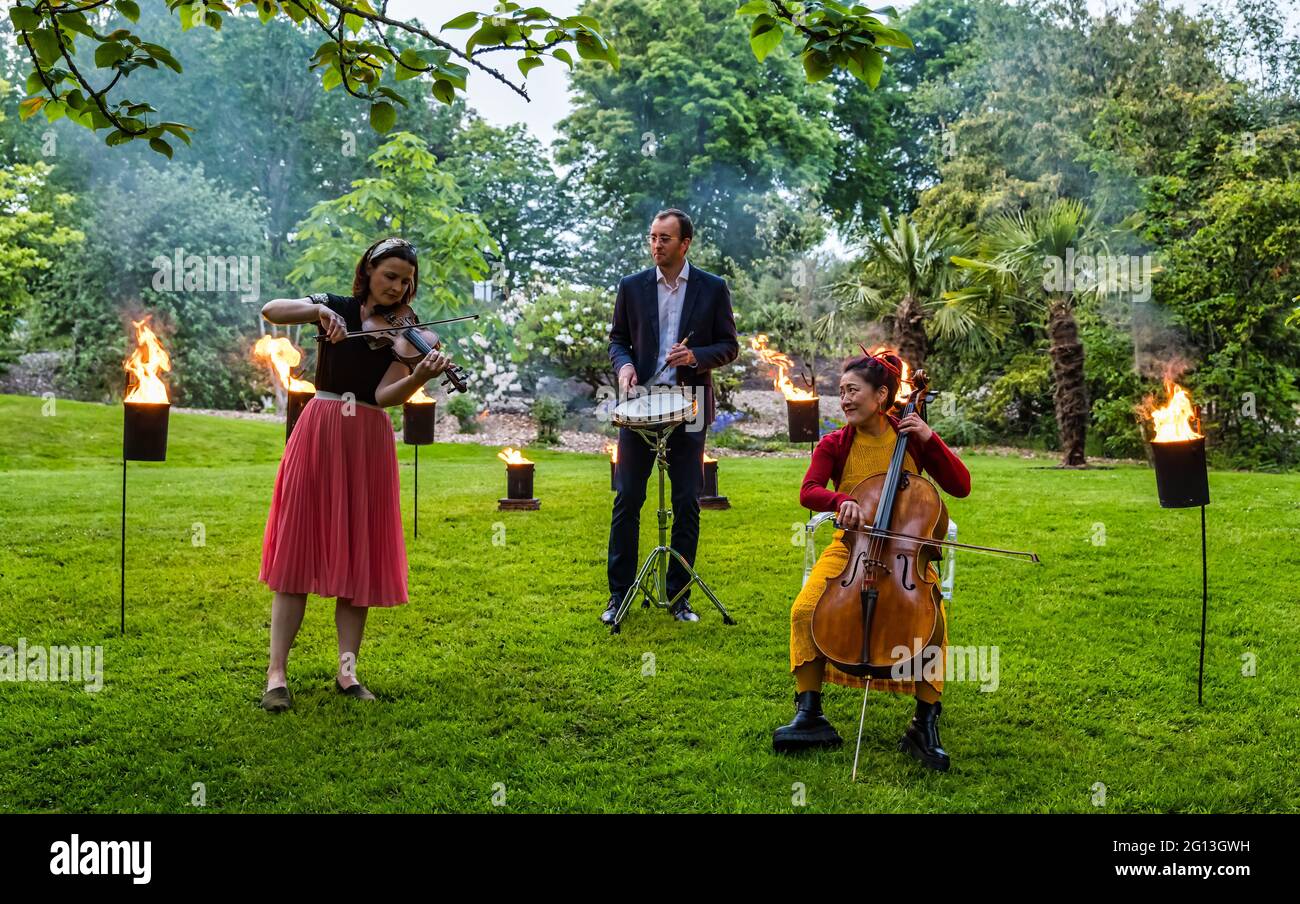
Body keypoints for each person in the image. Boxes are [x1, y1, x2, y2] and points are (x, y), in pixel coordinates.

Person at [256, 237, 451, 712]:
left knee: (359, 558)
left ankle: (348, 672)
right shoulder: (337, 306)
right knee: (297, 552)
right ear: (368, 271)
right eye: (390, 276)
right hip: (321, 427)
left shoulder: (407, 332)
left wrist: (419, 376)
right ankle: (276, 674)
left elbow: (385, 396)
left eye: (406, 280)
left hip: (367, 435)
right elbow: (271, 310)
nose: (398, 287)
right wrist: (318, 314)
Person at [773, 349, 971, 771]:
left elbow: (961, 485)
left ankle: (924, 723)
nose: (844, 399)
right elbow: (809, 490)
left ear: (881, 395)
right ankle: (810, 713)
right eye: (841, 391)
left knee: (931, 622)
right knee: (805, 609)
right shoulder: (834, 443)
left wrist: (929, 439)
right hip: (852, 549)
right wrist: (842, 500)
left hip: (906, 554)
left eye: (853, 391)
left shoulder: (911, 436)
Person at [602, 209, 739, 624]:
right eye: (652, 237)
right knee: (628, 497)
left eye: (665, 238)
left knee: (686, 500)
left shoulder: (713, 288)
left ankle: (679, 597)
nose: (656, 245)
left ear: (685, 243)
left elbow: (729, 346)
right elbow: (618, 340)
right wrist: (624, 366)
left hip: (691, 403)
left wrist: (696, 356)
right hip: (640, 401)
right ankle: (618, 596)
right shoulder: (632, 286)